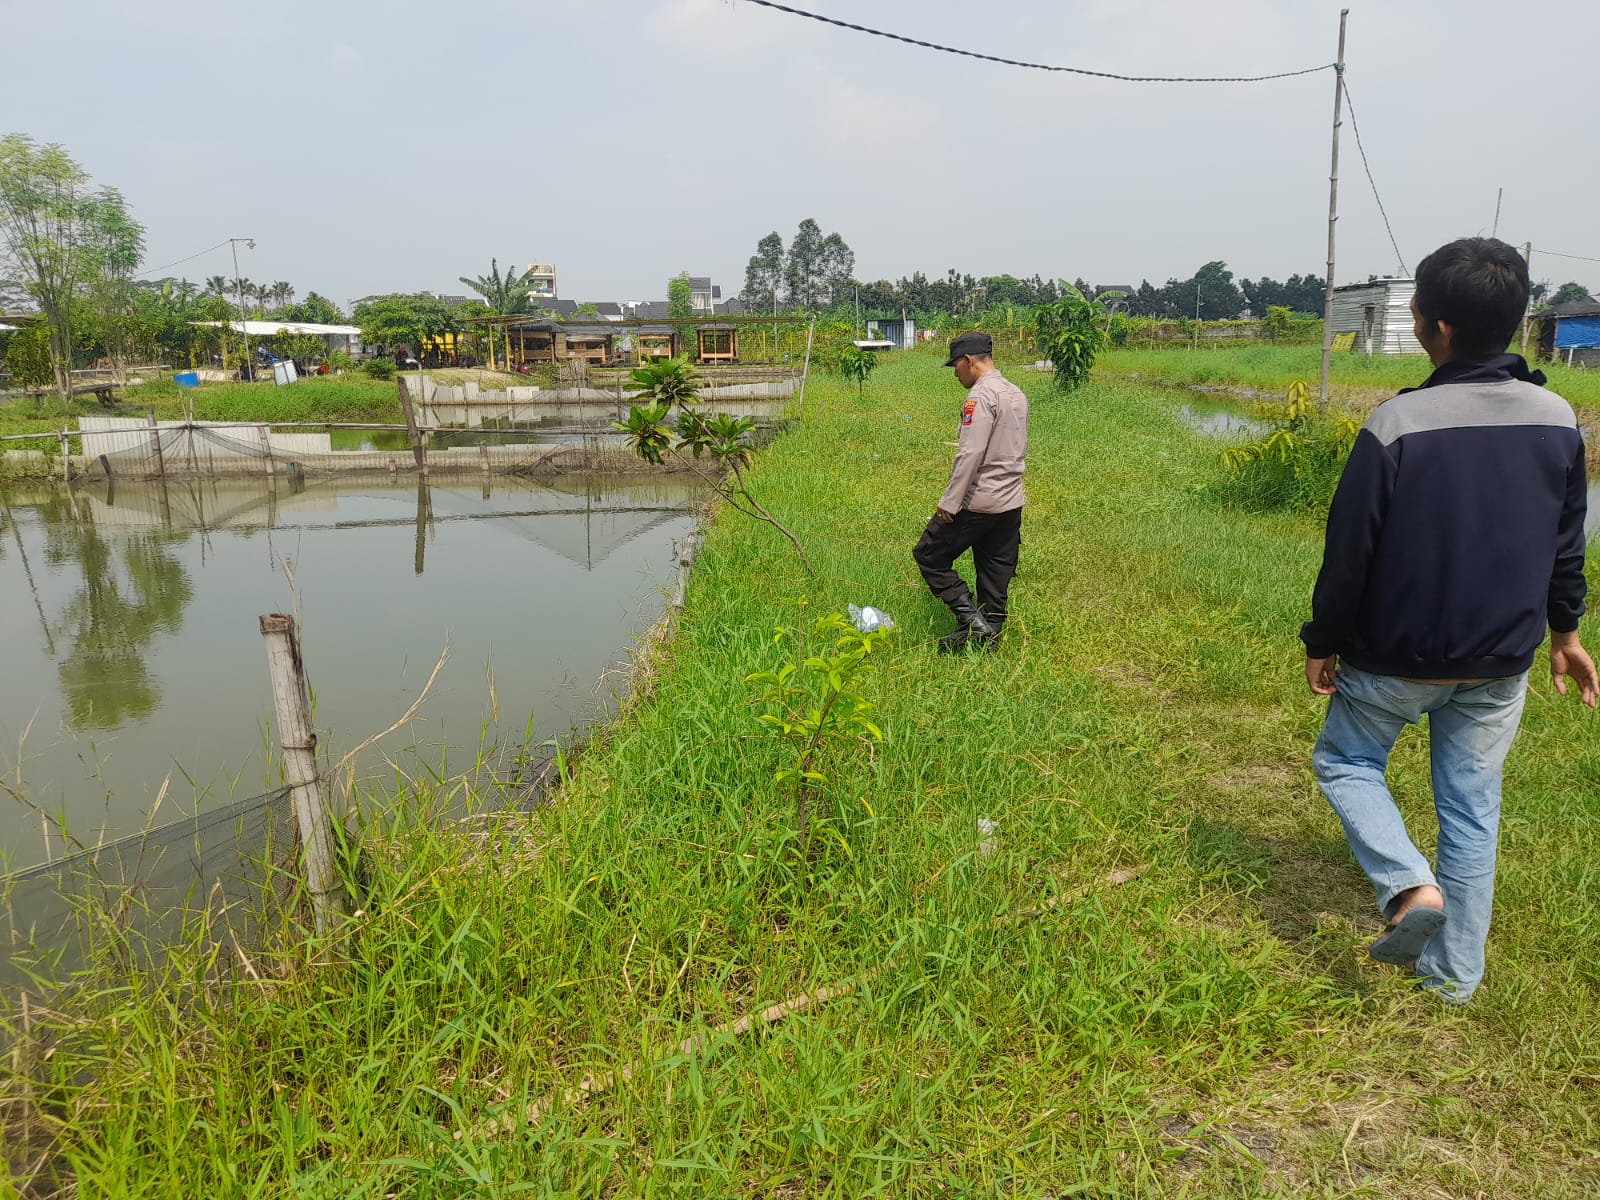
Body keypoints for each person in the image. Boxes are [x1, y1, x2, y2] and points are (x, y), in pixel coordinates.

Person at [1301, 236, 1597, 1004]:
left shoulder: (1397, 425)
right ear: (1519, 322)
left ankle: (1407, 889)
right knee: (1472, 808)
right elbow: (1568, 547)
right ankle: (1457, 977)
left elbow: (1349, 551)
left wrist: (1324, 640)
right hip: (1502, 660)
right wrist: (1567, 637)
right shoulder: (1560, 419)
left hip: (1395, 656)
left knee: (1346, 761)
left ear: (1434, 329)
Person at [913, 331, 1029, 653]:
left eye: (956, 366)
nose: (955, 374)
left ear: (969, 361)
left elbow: (971, 453)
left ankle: (970, 621)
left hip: (978, 502)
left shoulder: (980, 397)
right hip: (1011, 502)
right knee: (994, 573)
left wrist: (950, 503)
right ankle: (987, 643)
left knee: (929, 555)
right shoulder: (1016, 393)